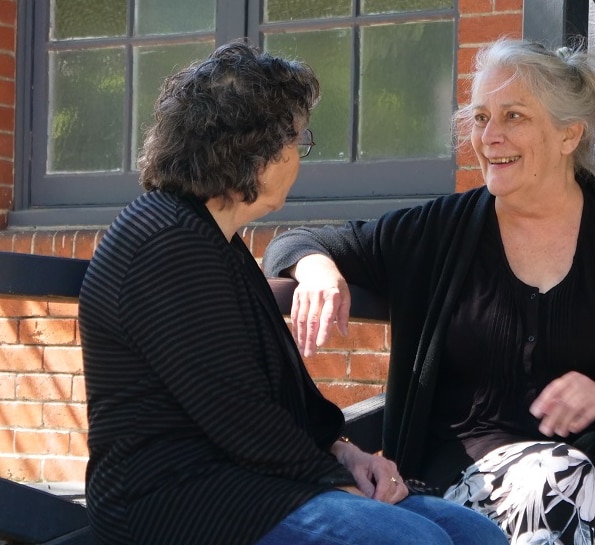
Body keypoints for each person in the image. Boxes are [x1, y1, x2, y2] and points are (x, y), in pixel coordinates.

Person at [263, 38, 595, 545]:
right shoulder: (439, 232)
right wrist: (318, 270)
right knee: (558, 475)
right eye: (479, 118)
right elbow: (300, 239)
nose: (490, 136)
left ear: (569, 134)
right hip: (464, 480)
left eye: (513, 116)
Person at [78, 41, 508, 545]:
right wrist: (340, 482)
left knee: (475, 534)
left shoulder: (214, 238)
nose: (298, 157)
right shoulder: (165, 243)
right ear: (253, 149)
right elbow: (237, 415)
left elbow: (278, 400)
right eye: (296, 140)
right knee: (415, 541)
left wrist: (347, 452)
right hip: (175, 498)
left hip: (247, 479)